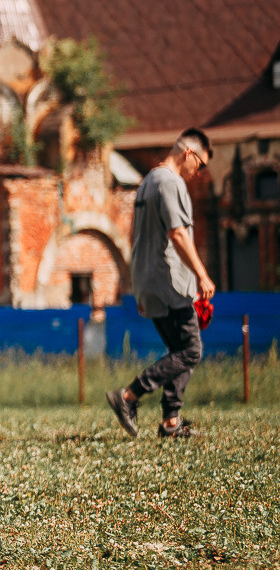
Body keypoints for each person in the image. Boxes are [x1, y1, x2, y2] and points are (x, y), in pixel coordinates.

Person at [107, 128, 216, 439]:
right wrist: (202, 274)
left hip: (149, 279)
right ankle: (128, 396)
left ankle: (171, 422)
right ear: (188, 154)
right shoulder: (170, 182)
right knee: (192, 350)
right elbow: (178, 233)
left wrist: (137, 281)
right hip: (169, 279)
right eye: (202, 164)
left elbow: (137, 236)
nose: (200, 172)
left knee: (179, 349)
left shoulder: (147, 183)